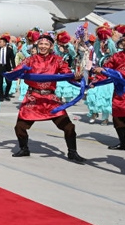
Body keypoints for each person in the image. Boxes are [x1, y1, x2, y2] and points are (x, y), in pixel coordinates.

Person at [9, 34, 85, 162]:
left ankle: (72, 152)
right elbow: (17, 71)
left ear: (51, 46)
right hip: (33, 98)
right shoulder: (30, 60)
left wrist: (76, 77)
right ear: (37, 45)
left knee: (69, 127)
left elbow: (67, 74)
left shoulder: (57, 60)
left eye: (46, 44)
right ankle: (24, 149)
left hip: (50, 99)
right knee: (19, 127)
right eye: (41, 44)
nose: (43, 46)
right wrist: (12, 74)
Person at [95, 27, 125, 151]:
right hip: (120, 92)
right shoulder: (116, 56)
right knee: (117, 117)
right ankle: (123, 143)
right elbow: (106, 69)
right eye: (124, 40)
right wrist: (97, 78)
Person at [0, 35, 16, 101]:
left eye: (1, 42)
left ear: (5, 43)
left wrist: (14, 68)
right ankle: (1, 96)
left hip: (7, 68)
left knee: (9, 82)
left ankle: (6, 94)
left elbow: (12, 59)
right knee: (0, 82)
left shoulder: (9, 50)